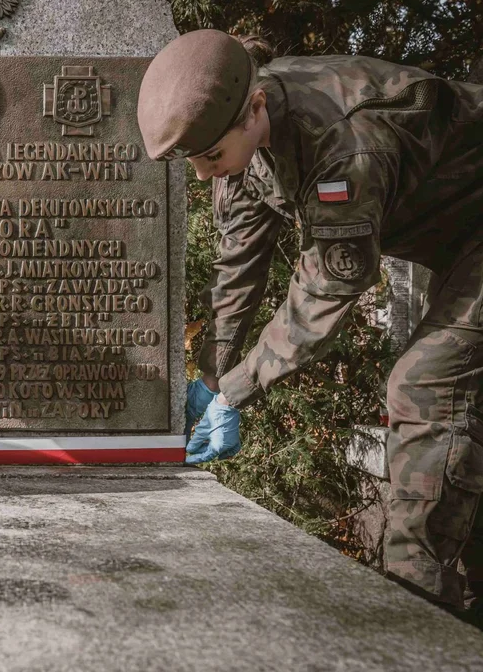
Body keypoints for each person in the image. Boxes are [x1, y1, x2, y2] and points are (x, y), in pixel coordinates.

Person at [137, 30, 483, 618]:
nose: (202, 175)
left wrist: (239, 393)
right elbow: (238, 262)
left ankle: (414, 614)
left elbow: (325, 294)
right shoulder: (242, 130)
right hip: (453, 241)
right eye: (192, 161)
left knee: (427, 388)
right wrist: (212, 374)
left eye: (210, 158)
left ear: (255, 108)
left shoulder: (345, 143)